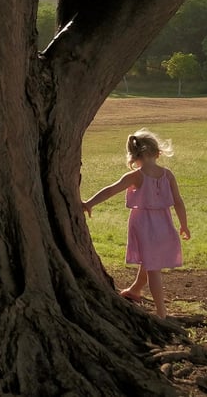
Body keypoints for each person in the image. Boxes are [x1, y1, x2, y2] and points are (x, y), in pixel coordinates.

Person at [82, 128, 190, 318]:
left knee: (152, 266)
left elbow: (110, 190)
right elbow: (179, 201)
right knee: (150, 260)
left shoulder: (135, 176)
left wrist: (89, 203)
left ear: (134, 156)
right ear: (158, 153)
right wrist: (184, 224)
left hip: (144, 225)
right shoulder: (167, 174)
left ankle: (161, 313)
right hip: (164, 223)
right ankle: (135, 289)